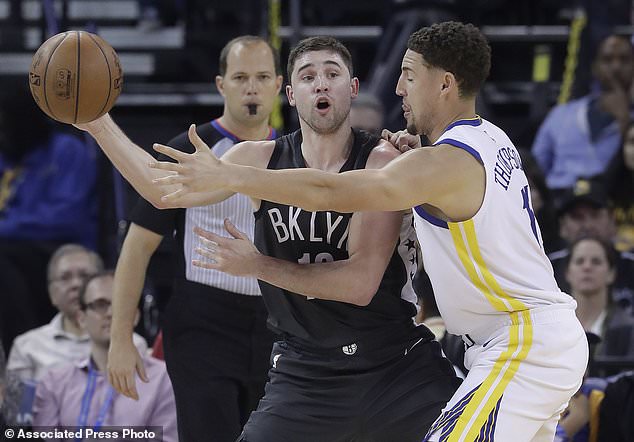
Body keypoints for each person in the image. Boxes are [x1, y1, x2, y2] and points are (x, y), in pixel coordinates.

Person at [151, 22, 589, 441]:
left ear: (444, 84)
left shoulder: (443, 162)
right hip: (522, 341)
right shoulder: (488, 138)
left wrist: (233, 178)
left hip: (519, 342)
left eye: (409, 76)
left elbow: (327, 190)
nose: (398, 88)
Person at [74, 36, 460, 441]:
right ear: (292, 95)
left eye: (332, 73)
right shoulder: (256, 160)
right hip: (306, 371)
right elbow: (160, 188)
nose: (322, 84)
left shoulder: (382, 162)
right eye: (309, 77)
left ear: (353, 88)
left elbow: (359, 284)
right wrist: (97, 123)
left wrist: (257, 265)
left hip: (394, 367)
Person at [106, 35, 282, 442]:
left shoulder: (295, 151)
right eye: (240, 77)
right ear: (221, 85)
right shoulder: (188, 148)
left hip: (280, 321)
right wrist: (120, 338)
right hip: (203, 321)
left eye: (261, 77)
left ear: (278, 86)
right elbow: (137, 246)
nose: (251, 87)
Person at [0, 85, 98, 352]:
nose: (3, 133)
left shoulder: (66, 151)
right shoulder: (6, 157)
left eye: (6, 125)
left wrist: (5, 228)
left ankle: (21, 348)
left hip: (59, 247)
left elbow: (65, 218)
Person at [32, 271, 177, 442]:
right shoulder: (54, 383)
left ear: (135, 316)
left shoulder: (165, 379)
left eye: (120, 304)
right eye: (100, 304)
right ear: (81, 318)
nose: (110, 313)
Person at [7, 244, 146, 383]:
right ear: (52, 293)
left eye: (85, 275)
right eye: (65, 277)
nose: (76, 284)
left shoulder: (132, 343)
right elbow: (16, 404)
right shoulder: (27, 346)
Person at [531, 34, 634, 199]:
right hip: (559, 203)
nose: (616, 67)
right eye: (607, 60)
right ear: (595, 67)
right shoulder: (562, 114)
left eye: (624, 60)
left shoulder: (630, 120)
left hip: (613, 203)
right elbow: (535, 168)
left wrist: (624, 120)